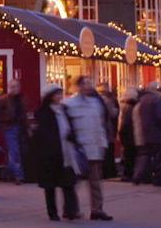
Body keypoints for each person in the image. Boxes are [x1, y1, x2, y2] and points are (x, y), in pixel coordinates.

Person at [65, 75, 113, 221]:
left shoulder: (96, 103)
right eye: (84, 84)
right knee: (74, 181)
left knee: (96, 181)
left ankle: (97, 209)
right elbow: (67, 128)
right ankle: (70, 209)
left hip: (94, 147)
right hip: (79, 149)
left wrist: (103, 143)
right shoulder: (69, 104)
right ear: (77, 86)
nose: (87, 86)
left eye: (89, 83)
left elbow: (100, 125)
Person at [32, 85, 80, 221]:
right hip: (50, 153)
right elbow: (41, 134)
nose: (60, 97)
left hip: (66, 152)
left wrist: (72, 136)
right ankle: (52, 213)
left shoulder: (64, 109)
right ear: (50, 96)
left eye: (61, 94)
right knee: (50, 185)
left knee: (68, 183)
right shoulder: (43, 112)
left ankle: (71, 211)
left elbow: (70, 126)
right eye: (57, 94)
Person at [133, 81, 161, 187]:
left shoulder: (142, 100)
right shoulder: (157, 99)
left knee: (146, 155)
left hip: (146, 132)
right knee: (159, 157)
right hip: (158, 133)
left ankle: (138, 176)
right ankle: (157, 178)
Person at [0, 79, 28, 184]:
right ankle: (19, 175)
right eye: (12, 86)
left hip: (20, 127)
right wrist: (4, 121)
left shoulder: (22, 99)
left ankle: (8, 173)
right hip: (10, 127)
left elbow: (24, 114)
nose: (15, 89)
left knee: (17, 151)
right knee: (13, 151)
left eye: (16, 86)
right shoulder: (4, 99)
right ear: (9, 88)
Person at [99, 83, 121, 180]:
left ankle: (106, 171)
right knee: (108, 151)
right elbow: (113, 113)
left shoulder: (97, 101)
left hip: (103, 129)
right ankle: (109, 171)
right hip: (107, 128)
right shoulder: (108, 100)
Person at [118, 87, 139, 181]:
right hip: (129, 134)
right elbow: (126, 123)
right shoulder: (129, 106)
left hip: (127, 134)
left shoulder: (125, 105)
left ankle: (128, 173)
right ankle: (128, 174)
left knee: (129, 155)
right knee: (130, 155)